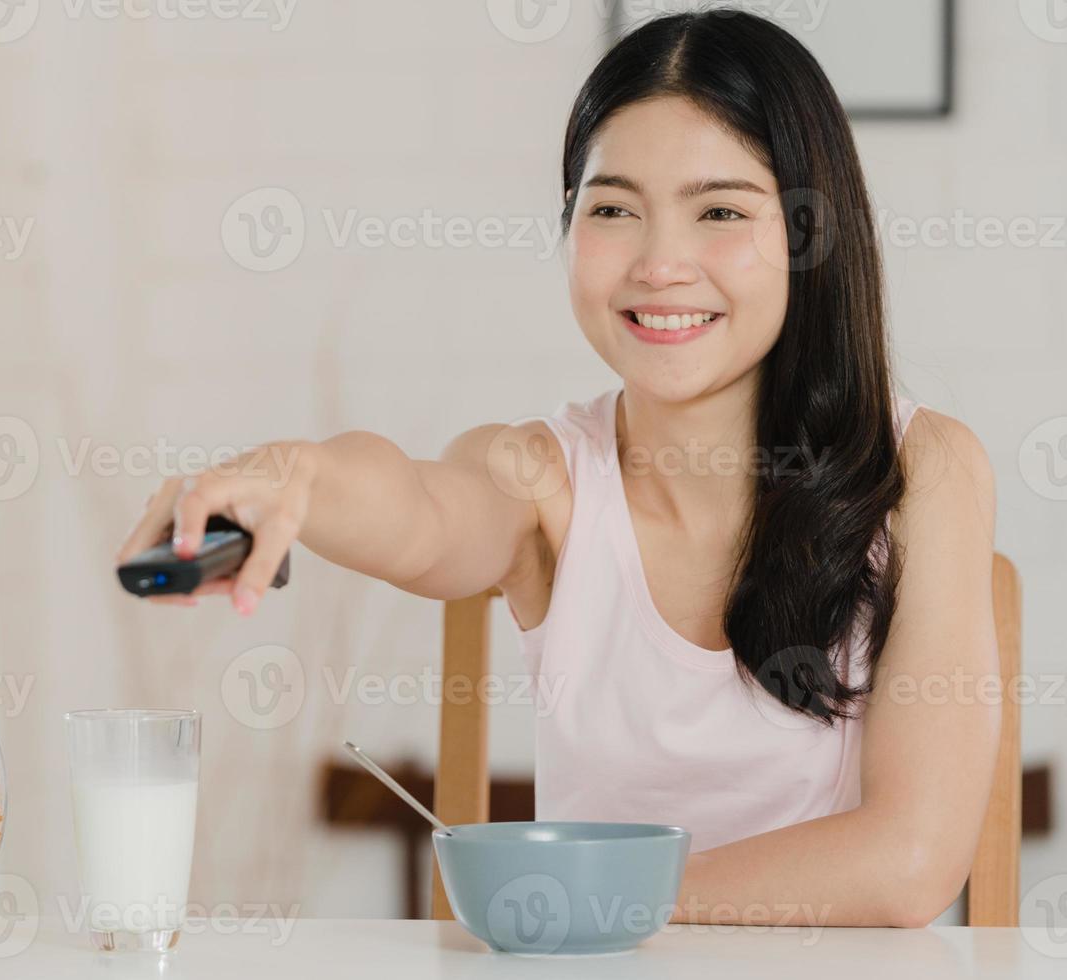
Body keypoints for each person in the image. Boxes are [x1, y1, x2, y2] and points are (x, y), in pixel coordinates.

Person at [117, 10, 999, 928]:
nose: (660, 264)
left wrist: (595, 899)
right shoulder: (544, 478)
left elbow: (907, 863)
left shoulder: (923, 471)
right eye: (613, 209)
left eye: (721, 212)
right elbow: (421, 507)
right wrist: (297, 479)